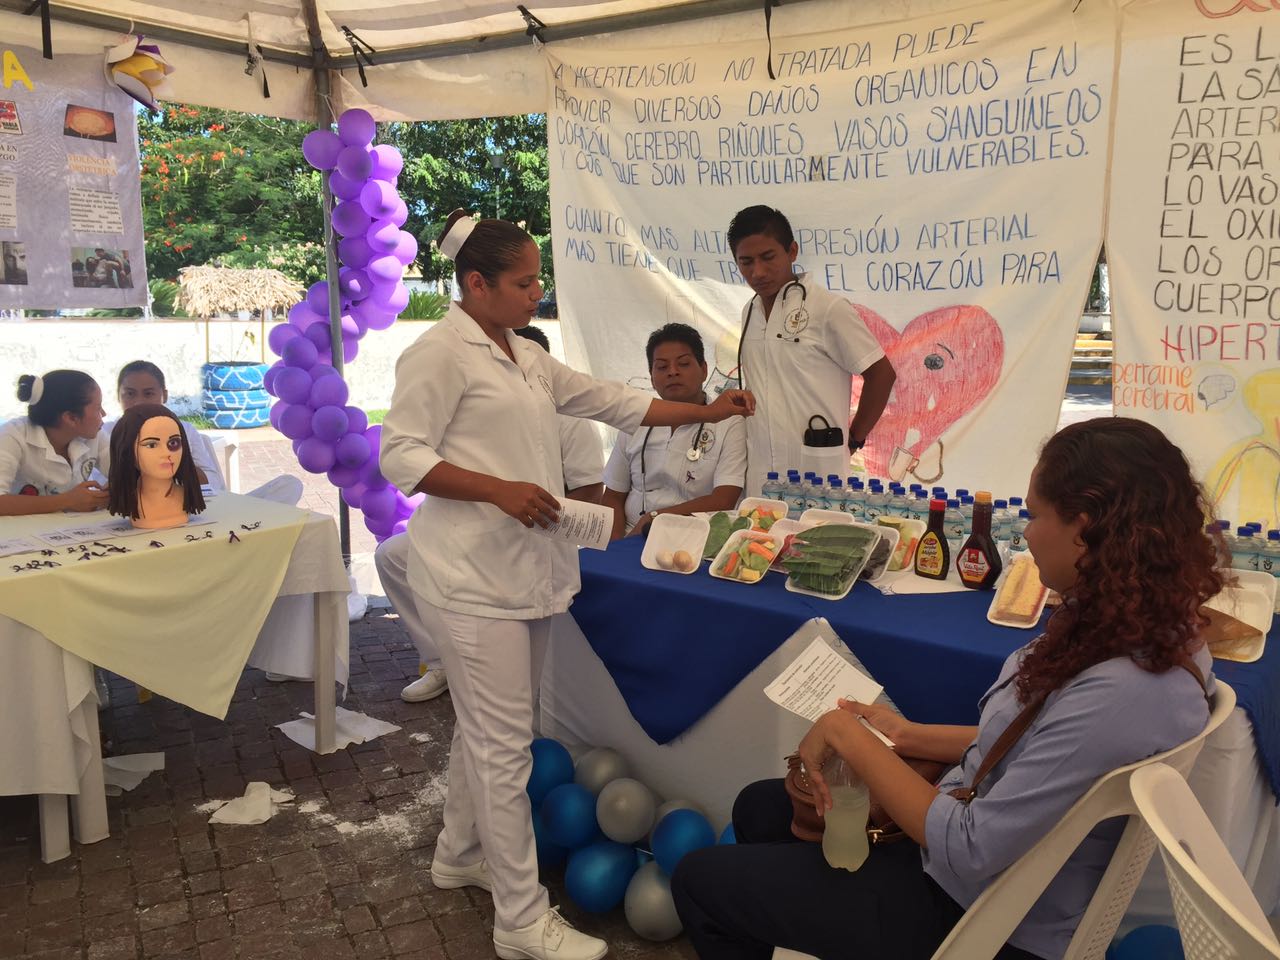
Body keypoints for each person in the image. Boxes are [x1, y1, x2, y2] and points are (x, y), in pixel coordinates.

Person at [671, 417, 1219, 960]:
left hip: (981, 915)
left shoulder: (1123, 692)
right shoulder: (1158, 633)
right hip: (988, 861)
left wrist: (845, 732)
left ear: (1085, 528)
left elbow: (969, 847)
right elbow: (1044, 748)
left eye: (1035, 514)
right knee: (761, 808)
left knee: (699, 882)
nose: (1026, 533)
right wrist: (908, 735)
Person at [380, 210, 755, 960]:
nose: (534, 293)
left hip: (526, 574)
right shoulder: (437, 353)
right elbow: (399, 456)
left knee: (495, 737)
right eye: (523, 282)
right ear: (476, 284)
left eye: (536, 280)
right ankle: (519, 919)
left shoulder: (523, 354)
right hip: (469, 576)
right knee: (502, 750)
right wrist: (497, 489)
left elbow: (614, 402)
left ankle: (459, 854)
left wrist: (707, 409)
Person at [378, 323, 604, 705]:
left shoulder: (570, 419)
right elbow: (406, 455)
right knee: (391, 556)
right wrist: (493, 494)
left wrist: (548, 520)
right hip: (469, 533)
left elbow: (588, 490)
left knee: (504, 720)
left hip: (537, 537)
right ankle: (440, 661)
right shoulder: (465, 391)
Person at [728, 205, 896, 496]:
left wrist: (855, 437)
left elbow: (882, 374)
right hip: (761, 473)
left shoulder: (828, 308)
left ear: (792, 251)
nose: (758, 272)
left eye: (768, 257)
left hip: (818, 471)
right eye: (746, 262)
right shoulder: (749, 312)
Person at [601, 322, 746, 539]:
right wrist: (614, 549)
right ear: (651, 376)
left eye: (684, 364)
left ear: (704, 370)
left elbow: (723, 500)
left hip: (696, 539)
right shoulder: (636, 420)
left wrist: (656, 517)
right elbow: (613, 497)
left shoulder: (729, 422)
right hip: (632, 538)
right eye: (661, 367)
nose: (673, 372)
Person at [0, 370, 110, 516]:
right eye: (98, 408)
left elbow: (125, 475)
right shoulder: (12, 435)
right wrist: (67, 501)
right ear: (71, 418)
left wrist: (111, 493)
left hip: (68, 530)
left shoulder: (95, 435)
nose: (104, 414)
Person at [114, 361, 219, 490]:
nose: (139, 402)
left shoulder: (185, 431)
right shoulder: (106, 434)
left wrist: (175, 459)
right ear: (118, 396)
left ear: (165, 396)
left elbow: (213, 482)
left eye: (148, 394)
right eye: (130, 394)